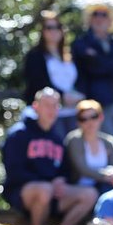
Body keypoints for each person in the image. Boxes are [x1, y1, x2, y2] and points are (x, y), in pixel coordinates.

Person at [2, 87, 97, 225]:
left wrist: (60, 180)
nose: (51, 110)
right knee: (44, 189)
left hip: (52, 193)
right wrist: (48, 183)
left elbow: (64, 168)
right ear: (36, 107)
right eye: (47, 105)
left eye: (55, 105)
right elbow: (14, 171)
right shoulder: (19, 134)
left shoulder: (57, 138)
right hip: (23, 192)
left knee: (89, 194)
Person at [72, 1, 113, 138]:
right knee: (110, 141)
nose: (99, 18)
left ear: (110, 19)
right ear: (89, 19)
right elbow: (92, 68)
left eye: (104, 14)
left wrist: (102, 63)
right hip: (98, 103)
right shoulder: (81, 43)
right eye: (95, 14)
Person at [23, 10, 82, 139]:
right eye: (49, 27)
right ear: (42, 32)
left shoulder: (70, 55)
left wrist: (78, 95)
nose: (54, 31)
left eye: (58, 27)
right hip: (50, 113)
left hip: (73, 111)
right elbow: (37, 83)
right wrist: (61, 96)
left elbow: (78, 80)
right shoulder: (35, 56)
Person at [64, 99, 113, 193]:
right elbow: (82, 169)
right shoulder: (74, 139)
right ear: (78, 122)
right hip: (80, 190)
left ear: (101, 117)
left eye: (93, 117)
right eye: (83, 119)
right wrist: (105, 176)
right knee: (92, 194)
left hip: (106, 188)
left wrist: (112, 175)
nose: (89, 122)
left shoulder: (109, 141)